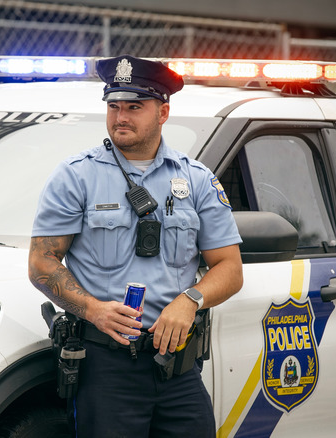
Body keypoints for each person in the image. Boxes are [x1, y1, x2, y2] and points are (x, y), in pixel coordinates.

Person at [28, 55, 243, 437]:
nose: (120, 117)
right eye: (113, 106)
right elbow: (42, 262)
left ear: (163, 112)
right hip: (106, 367)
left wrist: (189, 299)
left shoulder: (196, 180)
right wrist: (93, 310)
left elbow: (229, 267)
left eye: (134, 107)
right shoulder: (77, 176)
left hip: (177, 365)